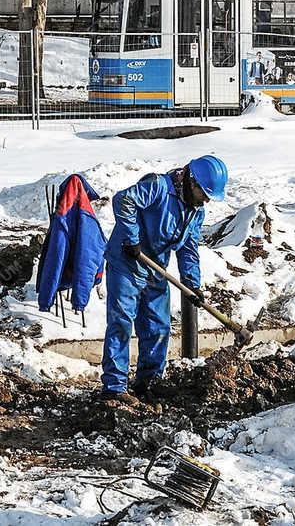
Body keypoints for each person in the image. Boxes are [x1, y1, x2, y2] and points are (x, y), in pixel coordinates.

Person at [100, 154, 228, 405]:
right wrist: (132, 238)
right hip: (127, 262)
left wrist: (192, 283)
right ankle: (114, 387)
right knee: (121, 323)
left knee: (158, 327)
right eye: (204, 193)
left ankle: (149, 382)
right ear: (191, 181)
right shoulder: (158, 187)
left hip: (155, 268)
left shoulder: (195, 212)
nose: (205, 201)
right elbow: (123, 201)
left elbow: (188, 247)